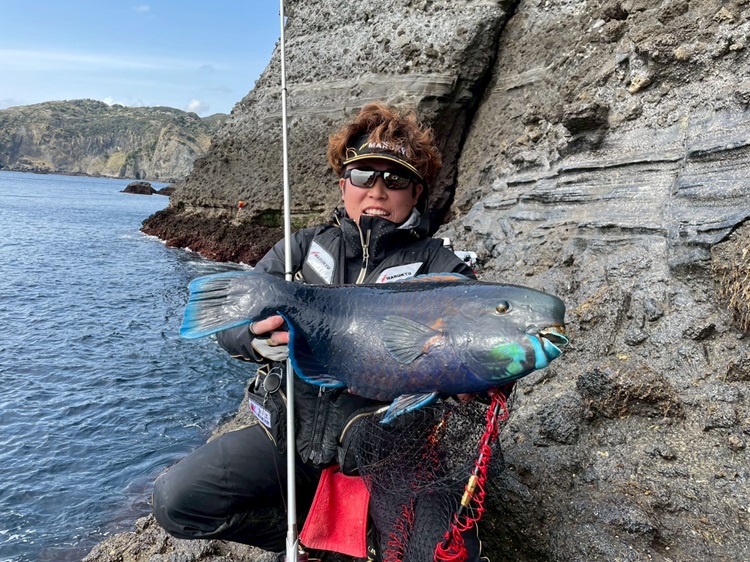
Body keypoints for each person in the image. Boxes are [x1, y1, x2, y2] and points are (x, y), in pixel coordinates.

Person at [152, 102, 481, 560]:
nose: (378, 190)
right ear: (344, 183)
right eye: (364, 175)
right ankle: (314, 542)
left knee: (443, 551)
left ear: (416, 192)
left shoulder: (442, 270)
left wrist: (475, 375)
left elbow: (480, 341)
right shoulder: (301, 249)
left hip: (386, 451)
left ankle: (363, 534)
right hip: (288, 433)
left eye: (396, 179)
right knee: (176, 500)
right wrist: (257, 340)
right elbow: (228, 321)